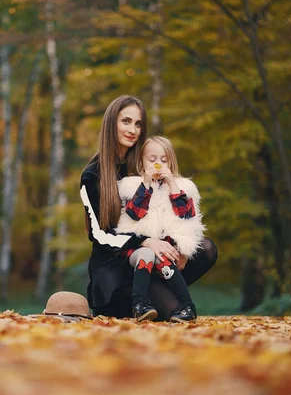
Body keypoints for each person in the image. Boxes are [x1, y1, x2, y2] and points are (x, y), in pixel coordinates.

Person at [79, 95, 218, 321]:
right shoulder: (91, 176)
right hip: (116, 268)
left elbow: (166, 213)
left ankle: (159, 287)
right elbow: (99, 235)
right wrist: (144, 241)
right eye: (126, 121)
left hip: (153, 261)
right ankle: (135, 300)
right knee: (172, 311)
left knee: (207, 249)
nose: (132, 129)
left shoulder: (145, 163)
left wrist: (177, 246)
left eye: (138, 123)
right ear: (111, 123)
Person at [115, 136, 205, 322]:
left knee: (163, 255)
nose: (158, 165)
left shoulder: (182, 187)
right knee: (148, 254)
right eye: (152, 159)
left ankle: (187, 305)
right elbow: (134, 214)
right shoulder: (132, 185)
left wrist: (172, 184)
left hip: (164, 250)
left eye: (164, 160)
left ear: (171, 162)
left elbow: (186, 215)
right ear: (142, 162)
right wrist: (146, 185)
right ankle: (140, 304)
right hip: (138, 247)